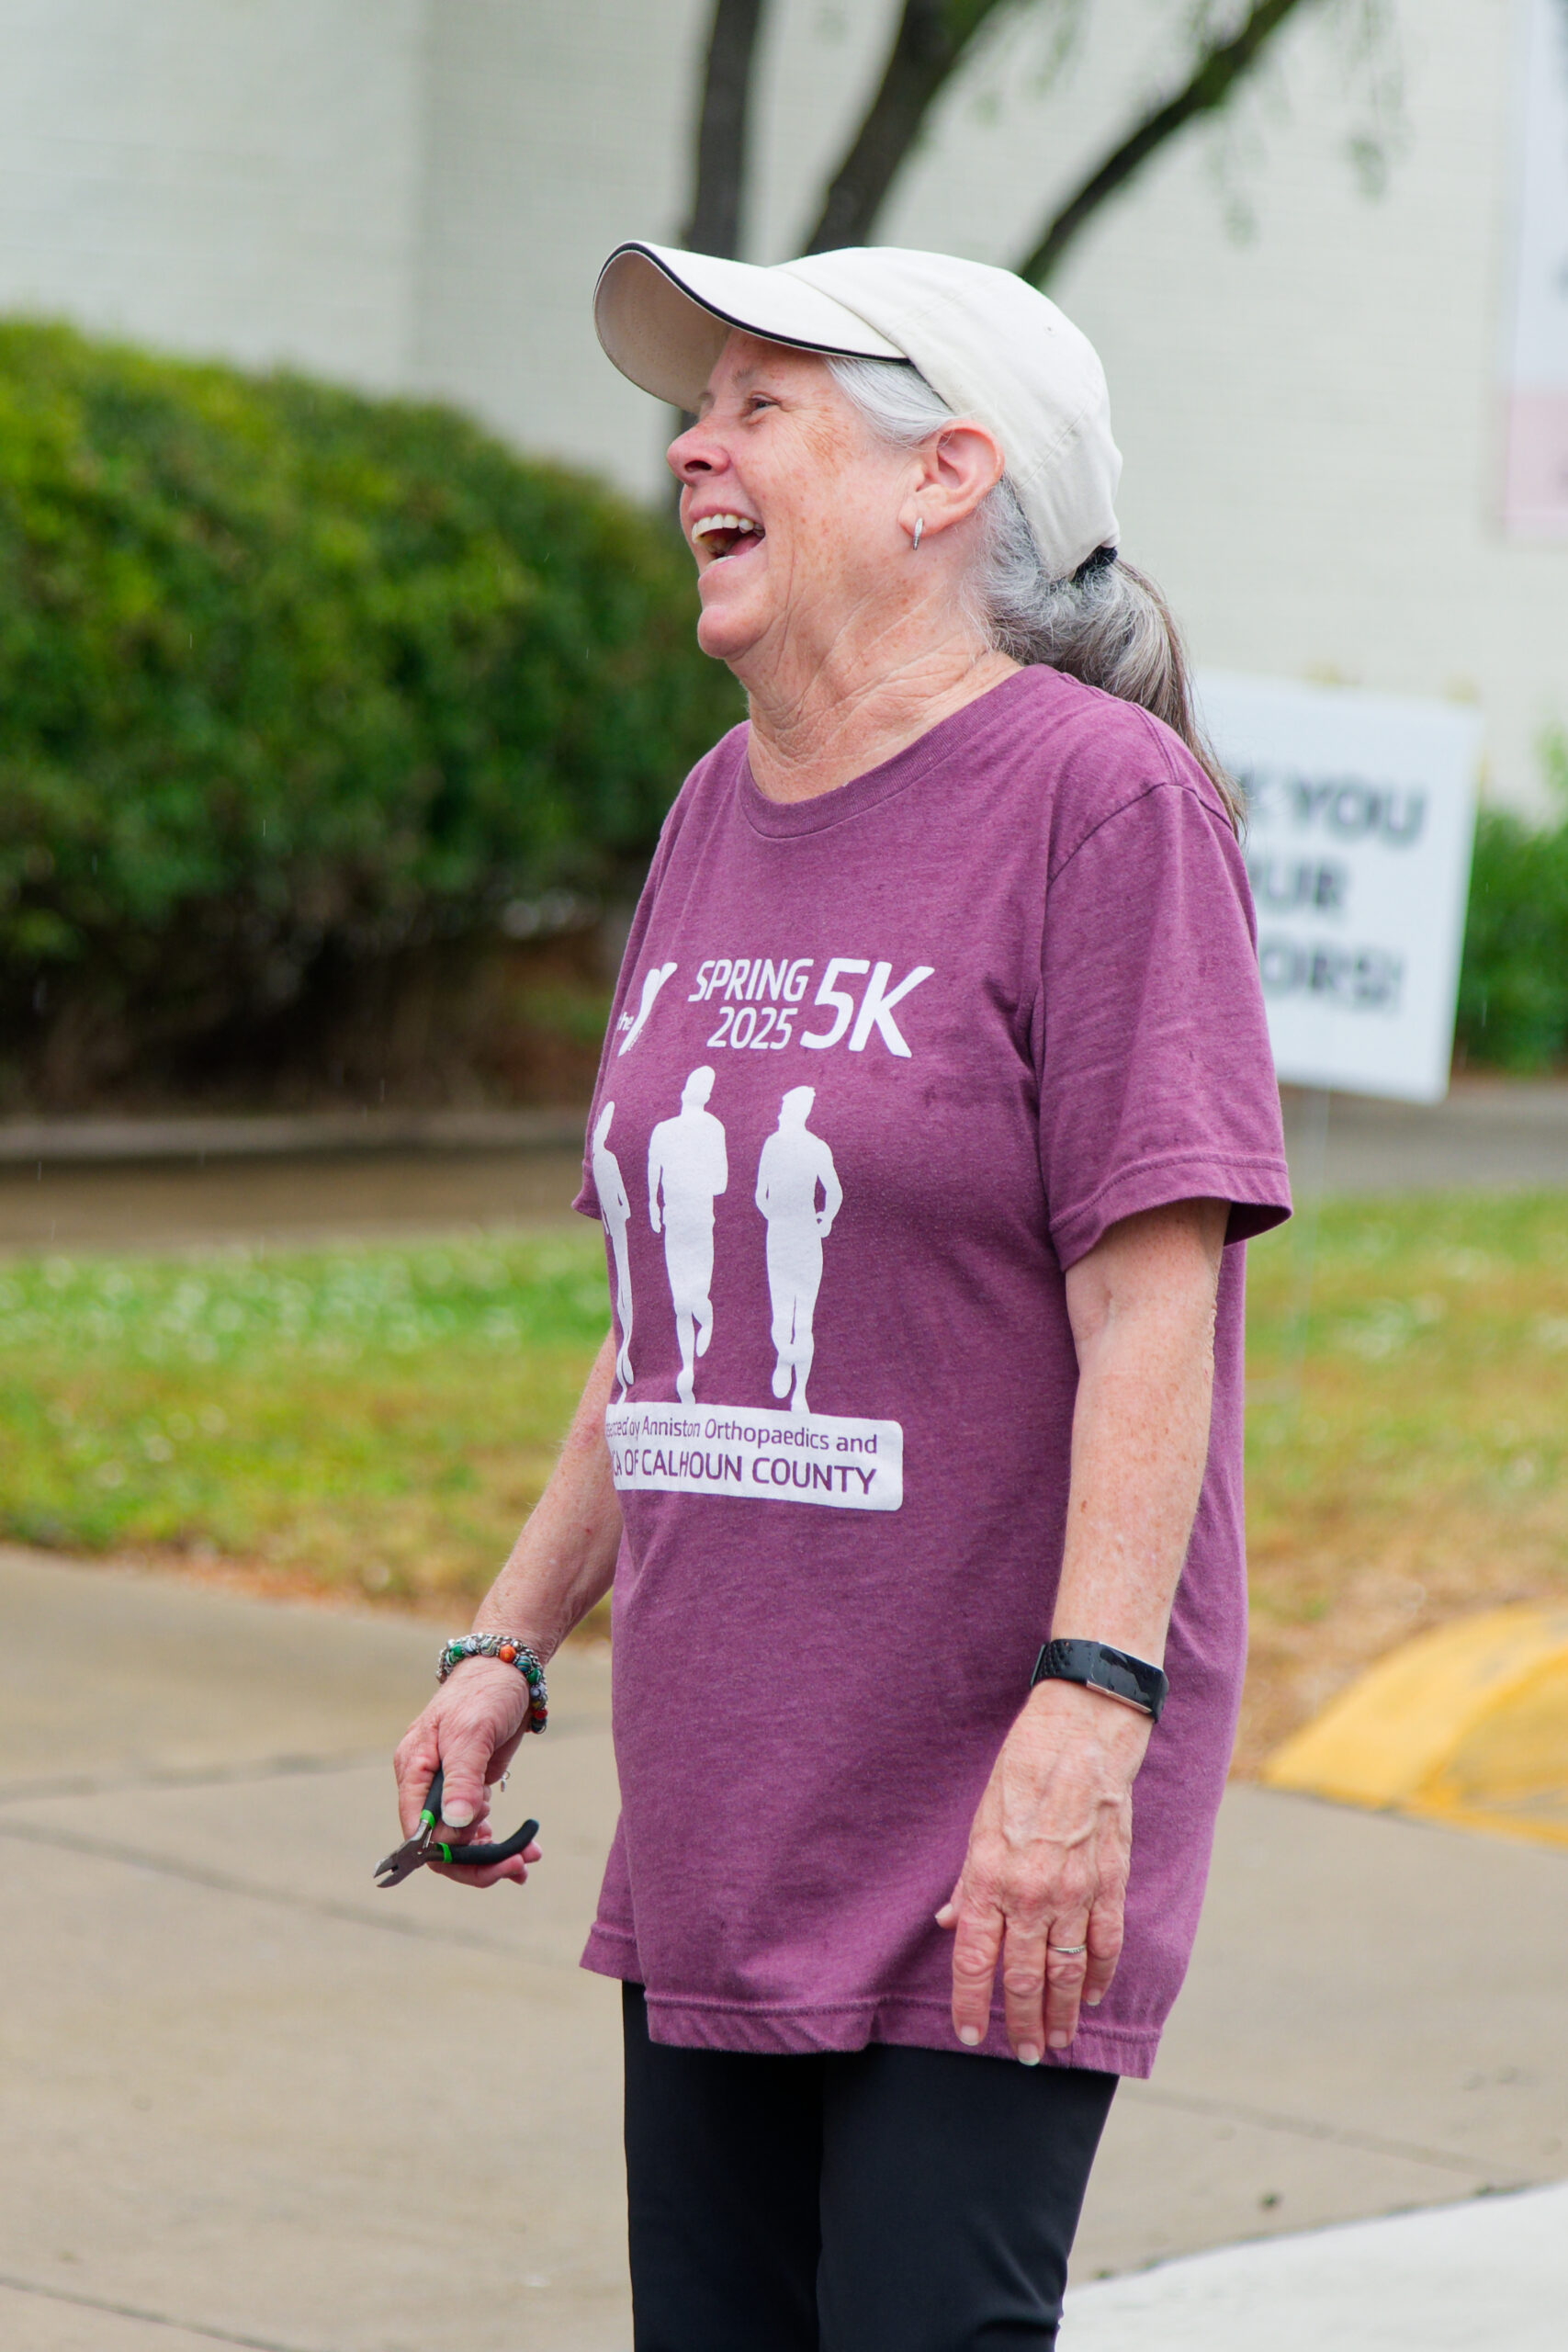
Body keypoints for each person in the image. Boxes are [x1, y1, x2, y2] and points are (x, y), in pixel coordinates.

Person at [392, 240, 1291, 2350]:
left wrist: (1088, 1713)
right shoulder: (714, 808)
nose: (687, 450)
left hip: (989, 1770)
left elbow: (1150, 1306)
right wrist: (504, 1640)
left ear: (941, 477)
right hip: (728, 1768)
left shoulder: (1096, 801)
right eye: (691, 410)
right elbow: (669, 1302)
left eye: (755, 407)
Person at [755, 1084, 842, 1418]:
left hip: (805, 1235)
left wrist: (825, 1218)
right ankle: (784, 1358)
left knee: (802, 1317)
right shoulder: (772, 1144)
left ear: (798, 1112)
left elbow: (833, 1191)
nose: (779, 1113)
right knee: (781, 1313)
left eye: (785, 1108)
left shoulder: (816, 1147)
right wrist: (776, 1215)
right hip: (780, 1234)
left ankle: (800, 1391)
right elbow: (761, 1193)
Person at [646, 1063, 728, 1404]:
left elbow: (721, 1181)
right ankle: (687, 1370)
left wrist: (686, 1185)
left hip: (698, 1217)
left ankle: (705, 1319)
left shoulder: (712, 1128)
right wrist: (654, 1206)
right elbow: (654, 1170)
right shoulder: (665, 1130)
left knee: (697, 1294)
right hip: (676, 1218)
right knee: (680, 1301)